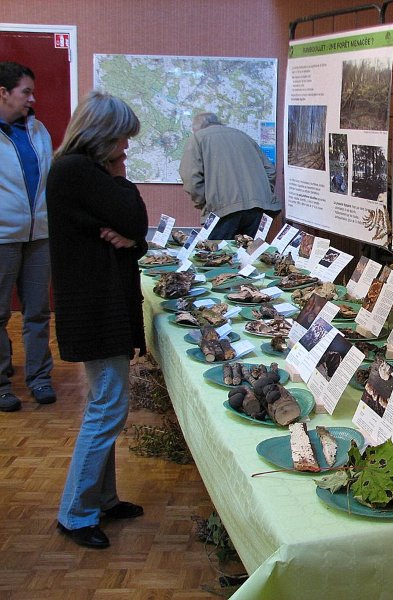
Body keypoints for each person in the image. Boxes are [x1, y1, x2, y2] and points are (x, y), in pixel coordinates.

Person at [46, 91, 149, 549]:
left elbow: (132, 235)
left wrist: (129, 240)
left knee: (105, 403)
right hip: (94, 307)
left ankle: (103, 499)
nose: (124, 151)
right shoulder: (76, 170)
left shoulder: (83, 171)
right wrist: (122, 184)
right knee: (107, 407)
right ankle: (75, 512)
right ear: (102, 135)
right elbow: (134, 217)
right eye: (122, 141)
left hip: (101, 304)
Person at [0, 61, 56, 412]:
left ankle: (40, 378)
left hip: (40, 237)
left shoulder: (39, 131)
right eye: (25, 92)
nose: (32, 99)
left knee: (37, 311)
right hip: (3, 238)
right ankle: (2, 384)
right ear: (3, 93)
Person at [179, 112, 278, 239]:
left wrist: (205, 202)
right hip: (257, 209)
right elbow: (270, 170)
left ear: (197, 127)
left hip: (223, 210)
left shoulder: (198, 138)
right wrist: (261, 193)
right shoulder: (243, 136)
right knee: (246, 253)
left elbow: (191, 179)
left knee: (216, 254)